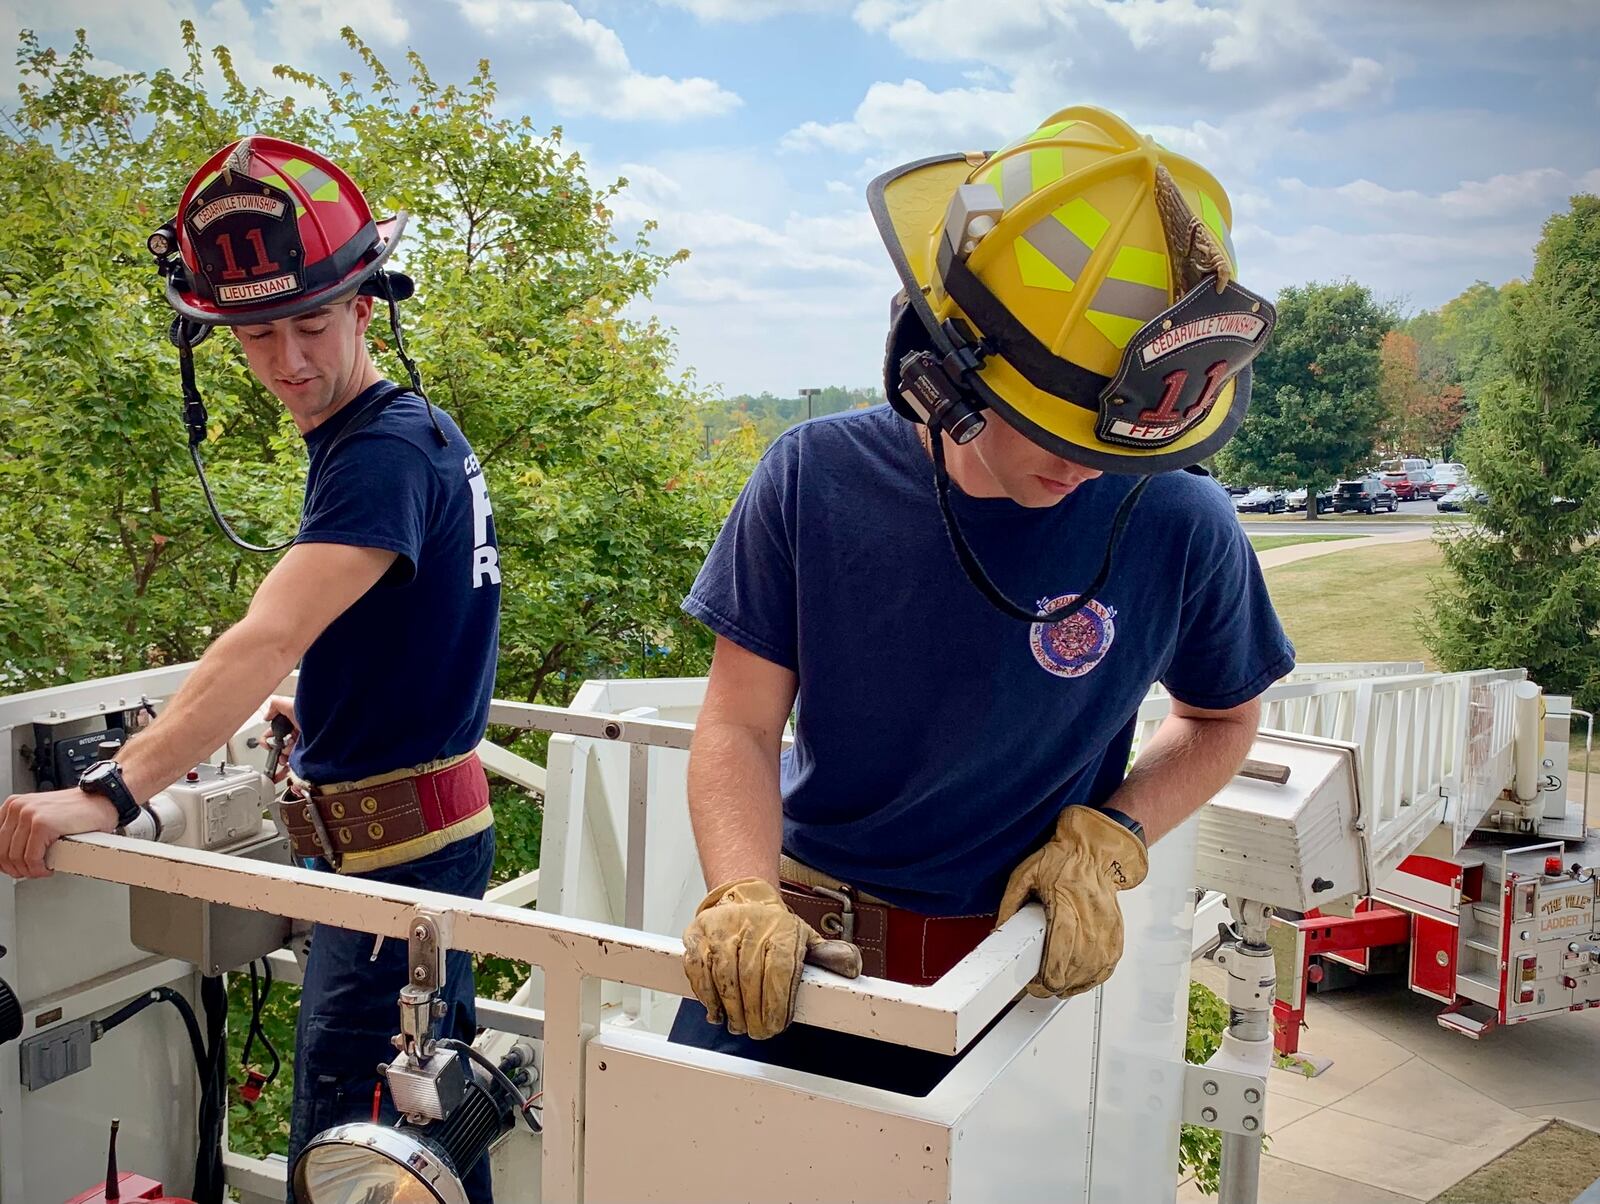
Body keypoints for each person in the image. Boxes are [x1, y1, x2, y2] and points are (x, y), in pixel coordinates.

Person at [672, 105, 1294, 1093]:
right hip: (798, 964)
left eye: (1114, 449)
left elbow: (1221, 718)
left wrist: (1115, 834)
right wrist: (742, 894)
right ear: (937, 372)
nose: (1086, 474)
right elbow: (739, 724)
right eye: (1058, 434)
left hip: (1005, 990)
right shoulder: (812, 477)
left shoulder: (1180, 521)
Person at [0, 136, 501, 1199]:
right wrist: (319, 707)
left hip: (388, 879)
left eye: (311, 323)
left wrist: (109, 793)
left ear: (367, 308)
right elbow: (401, 629)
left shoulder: (377, 452)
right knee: (416, 1156)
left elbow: (267, 632)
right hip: (409, 847)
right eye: (257, 335)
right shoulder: (402, 433)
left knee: (355, 1159)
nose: (287, 361)